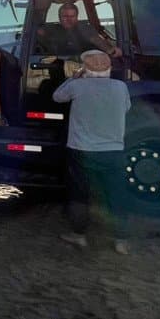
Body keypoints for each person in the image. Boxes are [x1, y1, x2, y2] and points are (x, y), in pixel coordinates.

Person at [52, 49, 132, 254]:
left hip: (82, 151)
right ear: (109, 69)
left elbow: (57, 97)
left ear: (84, 69)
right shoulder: (121, 87)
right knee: (115, 195)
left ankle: (79, 235)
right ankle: (121, 241)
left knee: (80, 194)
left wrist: (74, 77)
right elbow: (127, 108)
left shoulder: (78, 87)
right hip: (113, 151)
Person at [36, 2, 122, 59]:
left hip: (83, 68)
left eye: (72, 16)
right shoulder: (52, 30)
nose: (69, 19)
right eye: (65, 16)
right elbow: (37, 34)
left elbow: (97, 40)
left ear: (77, 17)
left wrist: (111, 50)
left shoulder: (85, 29)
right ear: (59, 18)